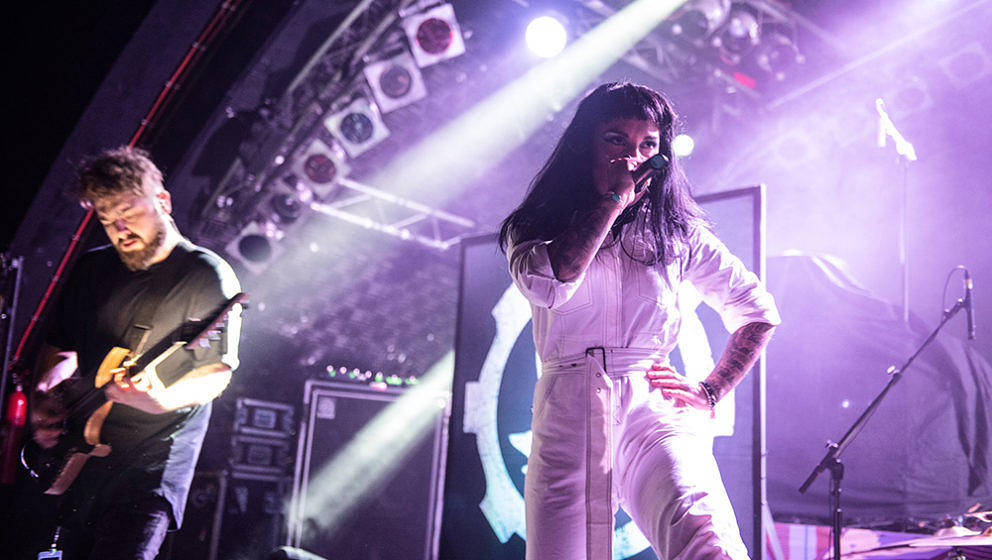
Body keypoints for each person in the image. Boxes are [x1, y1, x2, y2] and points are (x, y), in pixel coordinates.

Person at [499, 82, 781, 560]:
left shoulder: (678, 231)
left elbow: (757, 312)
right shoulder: (534, 224)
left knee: (708, 543)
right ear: (584, 143)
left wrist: (711, 390)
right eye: (616, 140)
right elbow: (551, 282)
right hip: (568, 402)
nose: (634, 157)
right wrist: (611, 202)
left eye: (648, 145)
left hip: (652, 405)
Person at [22, 147, 242, 559]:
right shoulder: (93, 270)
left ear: (163, 201)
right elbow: (61, 346)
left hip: (151, 467)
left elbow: (216, 373)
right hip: (81, 461)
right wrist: (44, 397)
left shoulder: (205, 276)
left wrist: (158, 401)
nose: (120, 229)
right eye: (107, 220)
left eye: (128, 213)